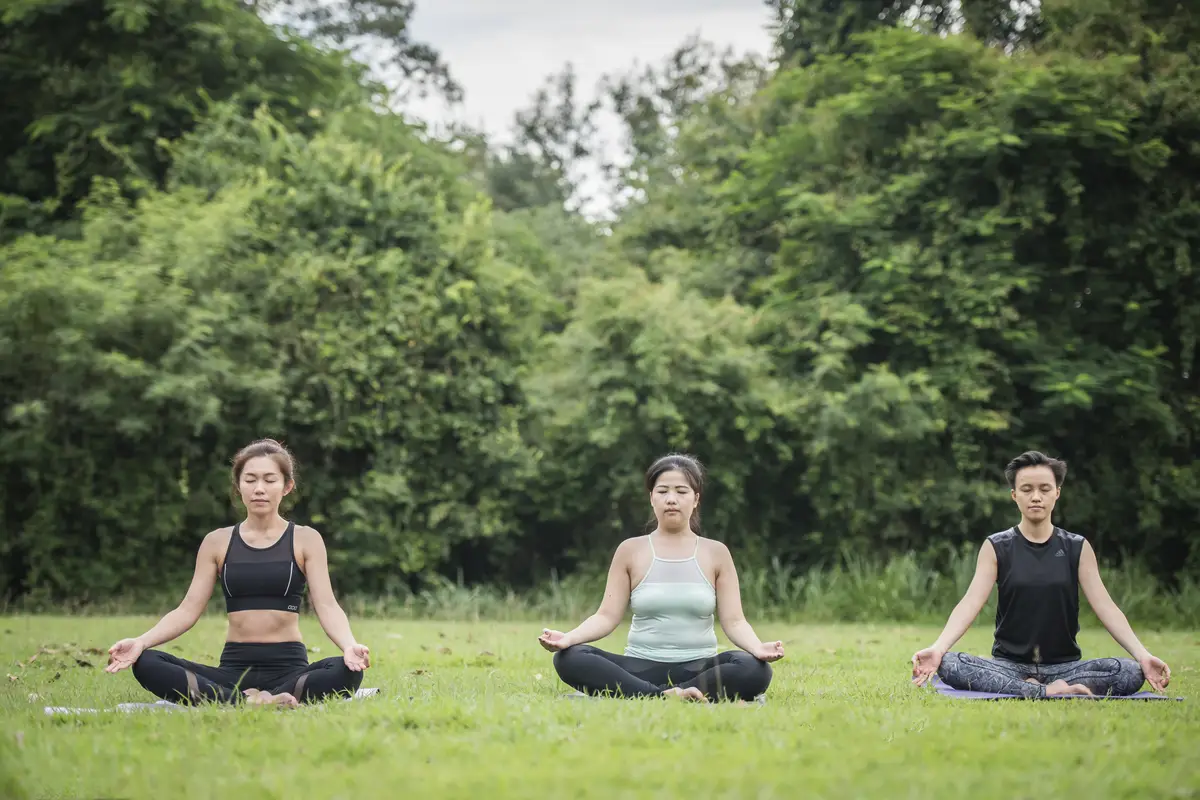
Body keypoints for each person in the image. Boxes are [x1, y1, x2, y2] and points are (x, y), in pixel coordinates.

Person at [105, 439, 371, 707]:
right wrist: (140, 641)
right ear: (238, 486)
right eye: (250, 480)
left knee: (348, 670)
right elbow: (187, 610)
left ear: (287, 486)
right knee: (147, 662)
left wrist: (349, 646)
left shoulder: (305, 539)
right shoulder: (216, 542)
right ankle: (248, 702)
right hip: (232, 672)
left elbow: (326, 605)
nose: (259, 489)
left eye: (270, 480)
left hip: (290, 670)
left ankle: (236, 702)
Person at [911, 450, 1171, 698]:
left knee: (1130, 671)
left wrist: (1143, 654)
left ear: (1057, 493)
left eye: (1044, 489)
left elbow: (1106, 606)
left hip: (1066, 668)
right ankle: (1044, 691)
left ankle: (1042, 687)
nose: (1036, 497)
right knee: (950, 664)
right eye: (1027, 489)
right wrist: (938, 648)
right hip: (1009, 666)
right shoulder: (996, 546)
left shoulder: (1077, 547)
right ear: (1014, 495)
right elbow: (970, 603)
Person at [538, 454, 784, 702]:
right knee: (569, 658)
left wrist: (757, 648)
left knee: (754, 669)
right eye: (663, 491)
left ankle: (662, 693)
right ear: (651, 498)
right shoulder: (629, 550)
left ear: (696, 499)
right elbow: (606, 616)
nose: (671, 500)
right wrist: (568, 638)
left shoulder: (716, 552)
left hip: (700, 669)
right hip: (638, 667)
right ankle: (663, 695)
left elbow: (734, 621)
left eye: (681, 491)